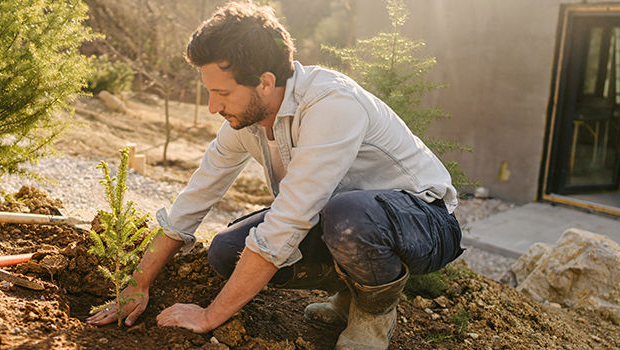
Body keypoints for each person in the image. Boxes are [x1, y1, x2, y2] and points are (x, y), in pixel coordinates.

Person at [87, 2, 464, 349]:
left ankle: (373, 315)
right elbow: (196, 197)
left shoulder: (331, 105)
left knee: (348, 217)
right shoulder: (245, 120)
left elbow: (291, 218)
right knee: (226, 252)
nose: (213, 107)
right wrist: (137, 283)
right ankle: (349, 292)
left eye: (222, 93)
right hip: (340, 220)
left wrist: (210, 316)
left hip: (424, 221)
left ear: (265, 82)